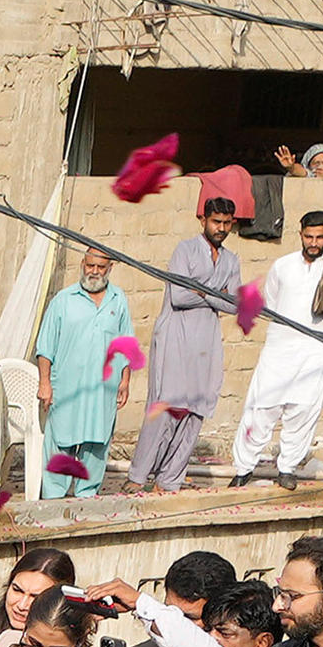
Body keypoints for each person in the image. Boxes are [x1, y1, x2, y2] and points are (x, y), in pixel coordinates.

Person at [136, 180, 247, 488]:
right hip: (175, 336)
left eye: (226, 223)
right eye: (216, 222)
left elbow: (235, 304)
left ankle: (169, 479)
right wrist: (216, 293)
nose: (221, 228)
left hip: (205, 341)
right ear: (203, 220)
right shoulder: (184, 250)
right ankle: (138, 476)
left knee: (196, 410)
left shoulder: (231, 260)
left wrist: (201, 290)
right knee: (166, 408)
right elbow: (179, 297)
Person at [226, 210, 323, 479]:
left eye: (320, 237)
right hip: (279, 350)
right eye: (309, 237)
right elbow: (272, 301)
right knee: (262, 408)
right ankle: (244, 468)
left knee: (303, 411)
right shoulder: (283, 266)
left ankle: (287, 468)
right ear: (301, 235)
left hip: (317, 351)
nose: (314, 243)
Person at [30, 242, 132, 494]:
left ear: (110, 269)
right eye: (90, 265)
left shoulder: (118, 300)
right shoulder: (63, 301)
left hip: (103, 391)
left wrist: (125, 380)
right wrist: (45, 384)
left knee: (97, 445)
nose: (94, 271)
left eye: (100, 267)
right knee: (61, 444)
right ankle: (54, 498)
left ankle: (86, 498)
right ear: (82, 265)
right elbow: (45, 347)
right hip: (66, 389)